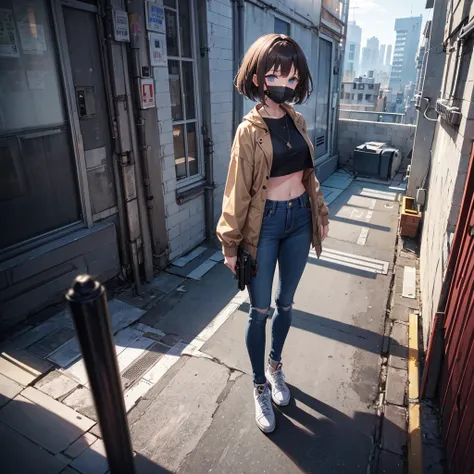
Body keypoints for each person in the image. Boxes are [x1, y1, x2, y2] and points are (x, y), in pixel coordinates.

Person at [216, 34, 329, 433]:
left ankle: (275, 366)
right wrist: (230, 244)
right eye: (280, 73)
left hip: (299, 219)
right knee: (259, 310)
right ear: (261, 77)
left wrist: (320, 213)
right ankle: (259, 386)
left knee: (286, 304)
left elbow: (308, 176)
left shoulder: (297, 121)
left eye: (295, 76)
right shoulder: (249, 132)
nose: (288, 82)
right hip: (262, 227)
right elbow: (236, 190)